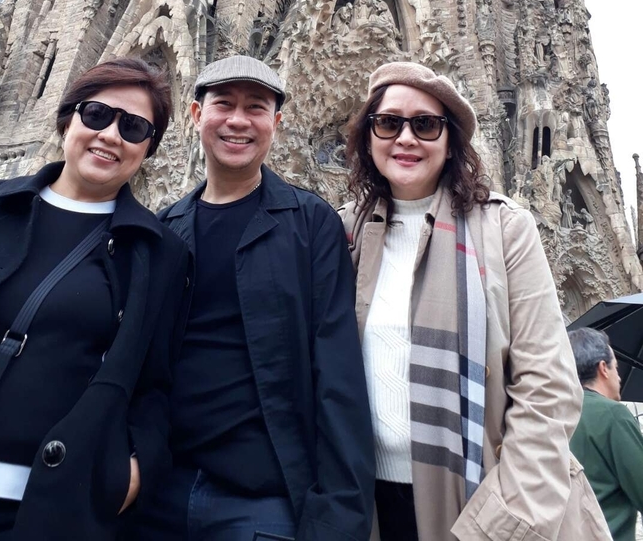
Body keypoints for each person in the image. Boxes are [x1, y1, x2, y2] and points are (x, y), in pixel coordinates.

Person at [340, 61, 611, 541]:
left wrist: (499, 525)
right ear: (367, 135)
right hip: (369, 504)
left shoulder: (505, 230)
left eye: (425, 124)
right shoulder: (344, 233)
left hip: (486, 501)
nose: (405, 138)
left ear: (450, 142)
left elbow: (548, 390)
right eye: (388, 122)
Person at [0, 58, 189, 541]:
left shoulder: (156, 252)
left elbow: (156, 383)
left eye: (132, 127)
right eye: (96, 115)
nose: (110, 135)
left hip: (36, 514)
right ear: (68, 119)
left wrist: (133, 471)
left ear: (148, 149)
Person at [149, 55, 375, 541]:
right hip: (158, 490)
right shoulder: (163, 229)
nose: (237, 120)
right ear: (195, 116)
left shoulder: (311, 223)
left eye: (255, 108)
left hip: (262, 501)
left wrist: (338, 516)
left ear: (275, 123)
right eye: (223, 104)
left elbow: (337, 371)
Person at [569, 327, 643, 541]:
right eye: (617, 368)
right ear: (603, 368)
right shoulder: (613, 414)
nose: (619, 378)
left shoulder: (556, 411)